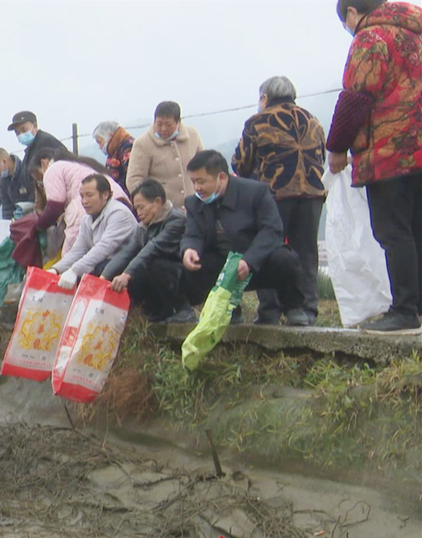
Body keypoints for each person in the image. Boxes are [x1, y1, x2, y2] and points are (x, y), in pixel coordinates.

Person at [328, 0, 422, 335]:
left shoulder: (371, 37)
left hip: (390, 149)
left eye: (346, 24)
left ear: (353, 12)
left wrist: (337, 147)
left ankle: (405, 310)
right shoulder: (416, 31)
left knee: (393, 231)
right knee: (416, 228)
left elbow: (356, 97)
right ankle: (417, 305)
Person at [233, 76, 327, 325]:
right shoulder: (313, 120)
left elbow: (241, 163)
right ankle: (307, 310)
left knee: (269, 250)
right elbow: (322, 155)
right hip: (313, 192)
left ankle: (270, 311)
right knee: (307, 252)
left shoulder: (258, 122)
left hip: (275, 194)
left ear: (264, 98)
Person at [181, 151, 310, 327]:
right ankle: (229, 308)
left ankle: (293, 307)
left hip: (258, 260)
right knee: (195, 265)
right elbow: (192, 234)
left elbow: (271, 230)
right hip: (223, 262)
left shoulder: (255, 192)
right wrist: (190, 249)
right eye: (193, 182)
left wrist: (249, 260)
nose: (197, 188)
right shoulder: (194, 203)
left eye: (201, 181)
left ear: (222, 177)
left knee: (286, 259)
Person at [102, 179, 194, 323]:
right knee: (119, 268)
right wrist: (104, 276)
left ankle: (182, 308)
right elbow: (128, 252)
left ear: (157, 202)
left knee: (153, 265)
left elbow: (153, 248)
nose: (138, 213)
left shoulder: (176, 220)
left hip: (180, 273)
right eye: (136, 209)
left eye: (141, 207)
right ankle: (155, 308)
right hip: (156, 271)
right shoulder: (143, 226)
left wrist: (126, 274)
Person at [33, 147, 129, 262]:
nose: (41, 182)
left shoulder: (52, 169)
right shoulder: (80, 164)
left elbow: (54, 206)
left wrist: (39, 225)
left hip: (96, 205)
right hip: (119, 201)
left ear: (43, 163)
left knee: (75, 253)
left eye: (39, 177)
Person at [49, 174, 138, 289]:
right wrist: (55, 269)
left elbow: (104, 248)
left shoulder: (119, 214)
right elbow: (78, 250)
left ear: (105, 195)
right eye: (82, 196)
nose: (84, 201)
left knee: (89, 272)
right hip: (103, 265)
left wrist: (75, 270)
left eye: (89, 195)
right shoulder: (87, 219)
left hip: (125, 269)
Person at [126, 101, 205, 210]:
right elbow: (134, 179)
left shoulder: (192, 135)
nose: (163, 129)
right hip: (162, 214)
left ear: (179, 122)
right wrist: (150, 204)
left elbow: (204, 165)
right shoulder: (143, 143)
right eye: (159, 124)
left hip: (195, 208)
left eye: (168, 125)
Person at [8, 111, 64, 207]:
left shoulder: (45, 142)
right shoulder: (30, 148)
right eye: (17, 132)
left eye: (24, 130)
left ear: (35, 126)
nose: (20, 135)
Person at [0, 148, 33, 219]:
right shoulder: (3, 182)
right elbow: (7, 207)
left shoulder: (27, 171)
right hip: (18, 222)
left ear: (4, 162)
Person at [93, 121, 135, 196]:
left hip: (126, 195)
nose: (100, 147)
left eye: (99, 142)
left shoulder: (128, 147)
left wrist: (114, 191)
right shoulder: (113, 150)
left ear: (110, 136)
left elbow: (130, 175)